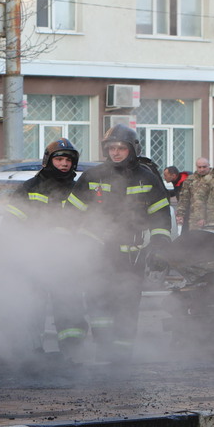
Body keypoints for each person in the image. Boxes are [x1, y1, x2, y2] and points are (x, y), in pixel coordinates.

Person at [69, 124, 173, 365]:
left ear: (132, 149)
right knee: (99, 305)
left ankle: (122, 358)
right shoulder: (92, 177)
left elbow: (160, 217)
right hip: (98, 255)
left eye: (121, 148)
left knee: (126, 308)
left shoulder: (147, 178)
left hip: (132, 258)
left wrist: (159, 248)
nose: (115, 153)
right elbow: (72, 214)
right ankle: (103, 352)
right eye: (111, 148)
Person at [6, 138, 88, 356]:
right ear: (48, 161)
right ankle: (33, 353)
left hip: (68, 260)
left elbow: (89, 222)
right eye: (59, 159)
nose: (63, 164)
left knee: (70, 306)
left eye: (68, 160)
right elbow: (12, 222)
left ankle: (72, 352)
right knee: (34, 307)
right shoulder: (30, 187)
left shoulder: (78, 189)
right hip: (36, 259)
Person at [176, 157, 210, 232]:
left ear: (209, 166)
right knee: (194, 239)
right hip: (194, 216)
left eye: (204, 167)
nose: (202, 169)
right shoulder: (190, 179)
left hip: (211, 216)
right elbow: (184, 199)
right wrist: (180, 214)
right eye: (199, 167)